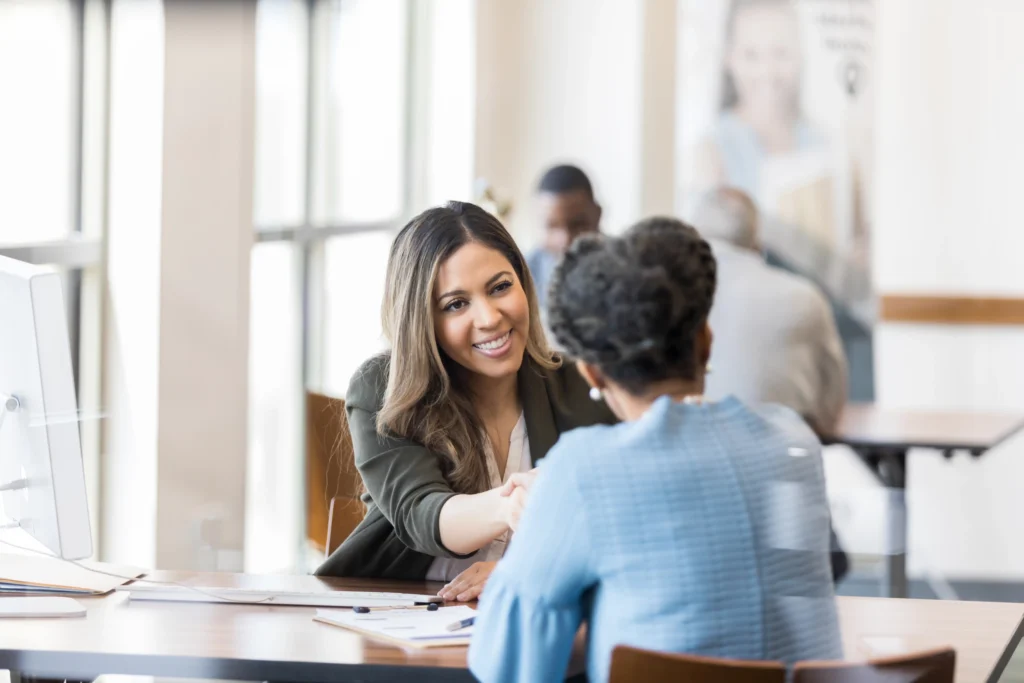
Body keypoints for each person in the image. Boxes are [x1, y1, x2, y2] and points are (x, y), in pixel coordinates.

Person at [469, 217, 842, 683]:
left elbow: (507, 664)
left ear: (591, 373)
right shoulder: (793, 442)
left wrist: (540, 534)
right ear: (705, 341)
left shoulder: (585, 471)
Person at [315, 201, 613, 600]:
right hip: (404, 626)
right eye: (456, 304)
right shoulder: (382, 388)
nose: (489, 317)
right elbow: (422, 513)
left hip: (541, 624)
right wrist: (513, 504)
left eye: (500, 287)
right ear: (422, 320)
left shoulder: (581, 385)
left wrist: (526, 569)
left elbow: (624, 525)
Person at [694, 187, 847, 436]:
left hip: (694, 449)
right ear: (756, 237)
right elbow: (831, 403)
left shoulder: (674, 296)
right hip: (790, 454)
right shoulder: (805, 297)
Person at [525, 164, 602, 310]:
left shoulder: (624, 269)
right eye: (552, 226)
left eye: (578, 225)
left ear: (597, 215)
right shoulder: (524, 275)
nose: (565, 240)